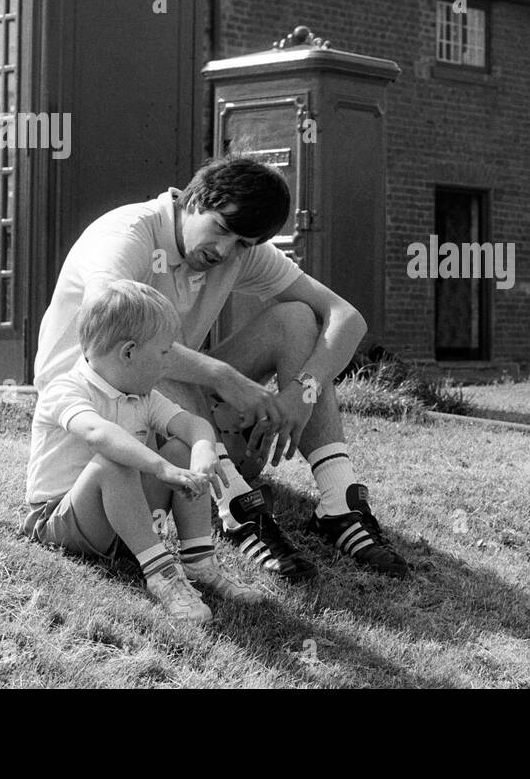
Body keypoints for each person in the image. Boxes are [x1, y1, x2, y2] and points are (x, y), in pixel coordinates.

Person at [32, 155, 409, 581]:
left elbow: (346, 317)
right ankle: (237, 507)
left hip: (166, 418)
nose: (225, 251)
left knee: (297, 319)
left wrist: (302, 393)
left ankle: (340, 502)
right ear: (193, 199)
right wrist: (223, 376)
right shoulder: (126, 234)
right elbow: (114, 338)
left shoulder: (236, 249)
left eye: (243, 244)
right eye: (222, 229)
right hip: (99, 414)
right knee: (161, 358)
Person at [22, 280, 265, 623]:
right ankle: (162, 574)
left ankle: (200, 562)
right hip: (61, 520)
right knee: (113, 459)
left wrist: (202, 450)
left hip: (122, 519)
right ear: (129, 352)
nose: (167, 365)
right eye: (164, 353)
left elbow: (193, 425)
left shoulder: (144, 396)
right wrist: (160, 468)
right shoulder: (66, 388)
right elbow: (98, 435)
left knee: (180, 449)